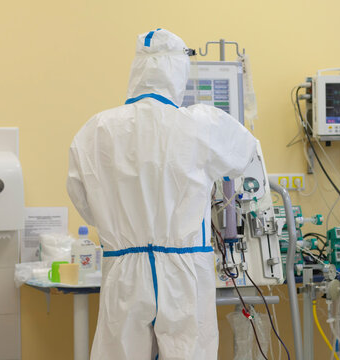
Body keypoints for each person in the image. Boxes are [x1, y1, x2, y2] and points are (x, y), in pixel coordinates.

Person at [67, 29, 257, 360]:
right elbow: (247, 156)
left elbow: (83, 198)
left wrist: (119, 230)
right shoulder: (201, 124)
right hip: (184, 270)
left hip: (124, 268)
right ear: (179, 71)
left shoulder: (96, 130)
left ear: (137, 72)